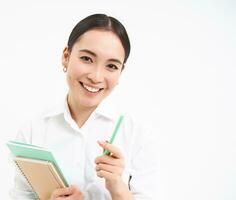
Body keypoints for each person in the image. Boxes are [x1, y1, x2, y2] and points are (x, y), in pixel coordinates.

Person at [10, 13, 158, 200]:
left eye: (111, 66)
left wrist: (117, 187)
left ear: (121, 72)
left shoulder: (138, 134)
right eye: (87, 59)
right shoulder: (33, 130)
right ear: (66, 56)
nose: (96, 77)